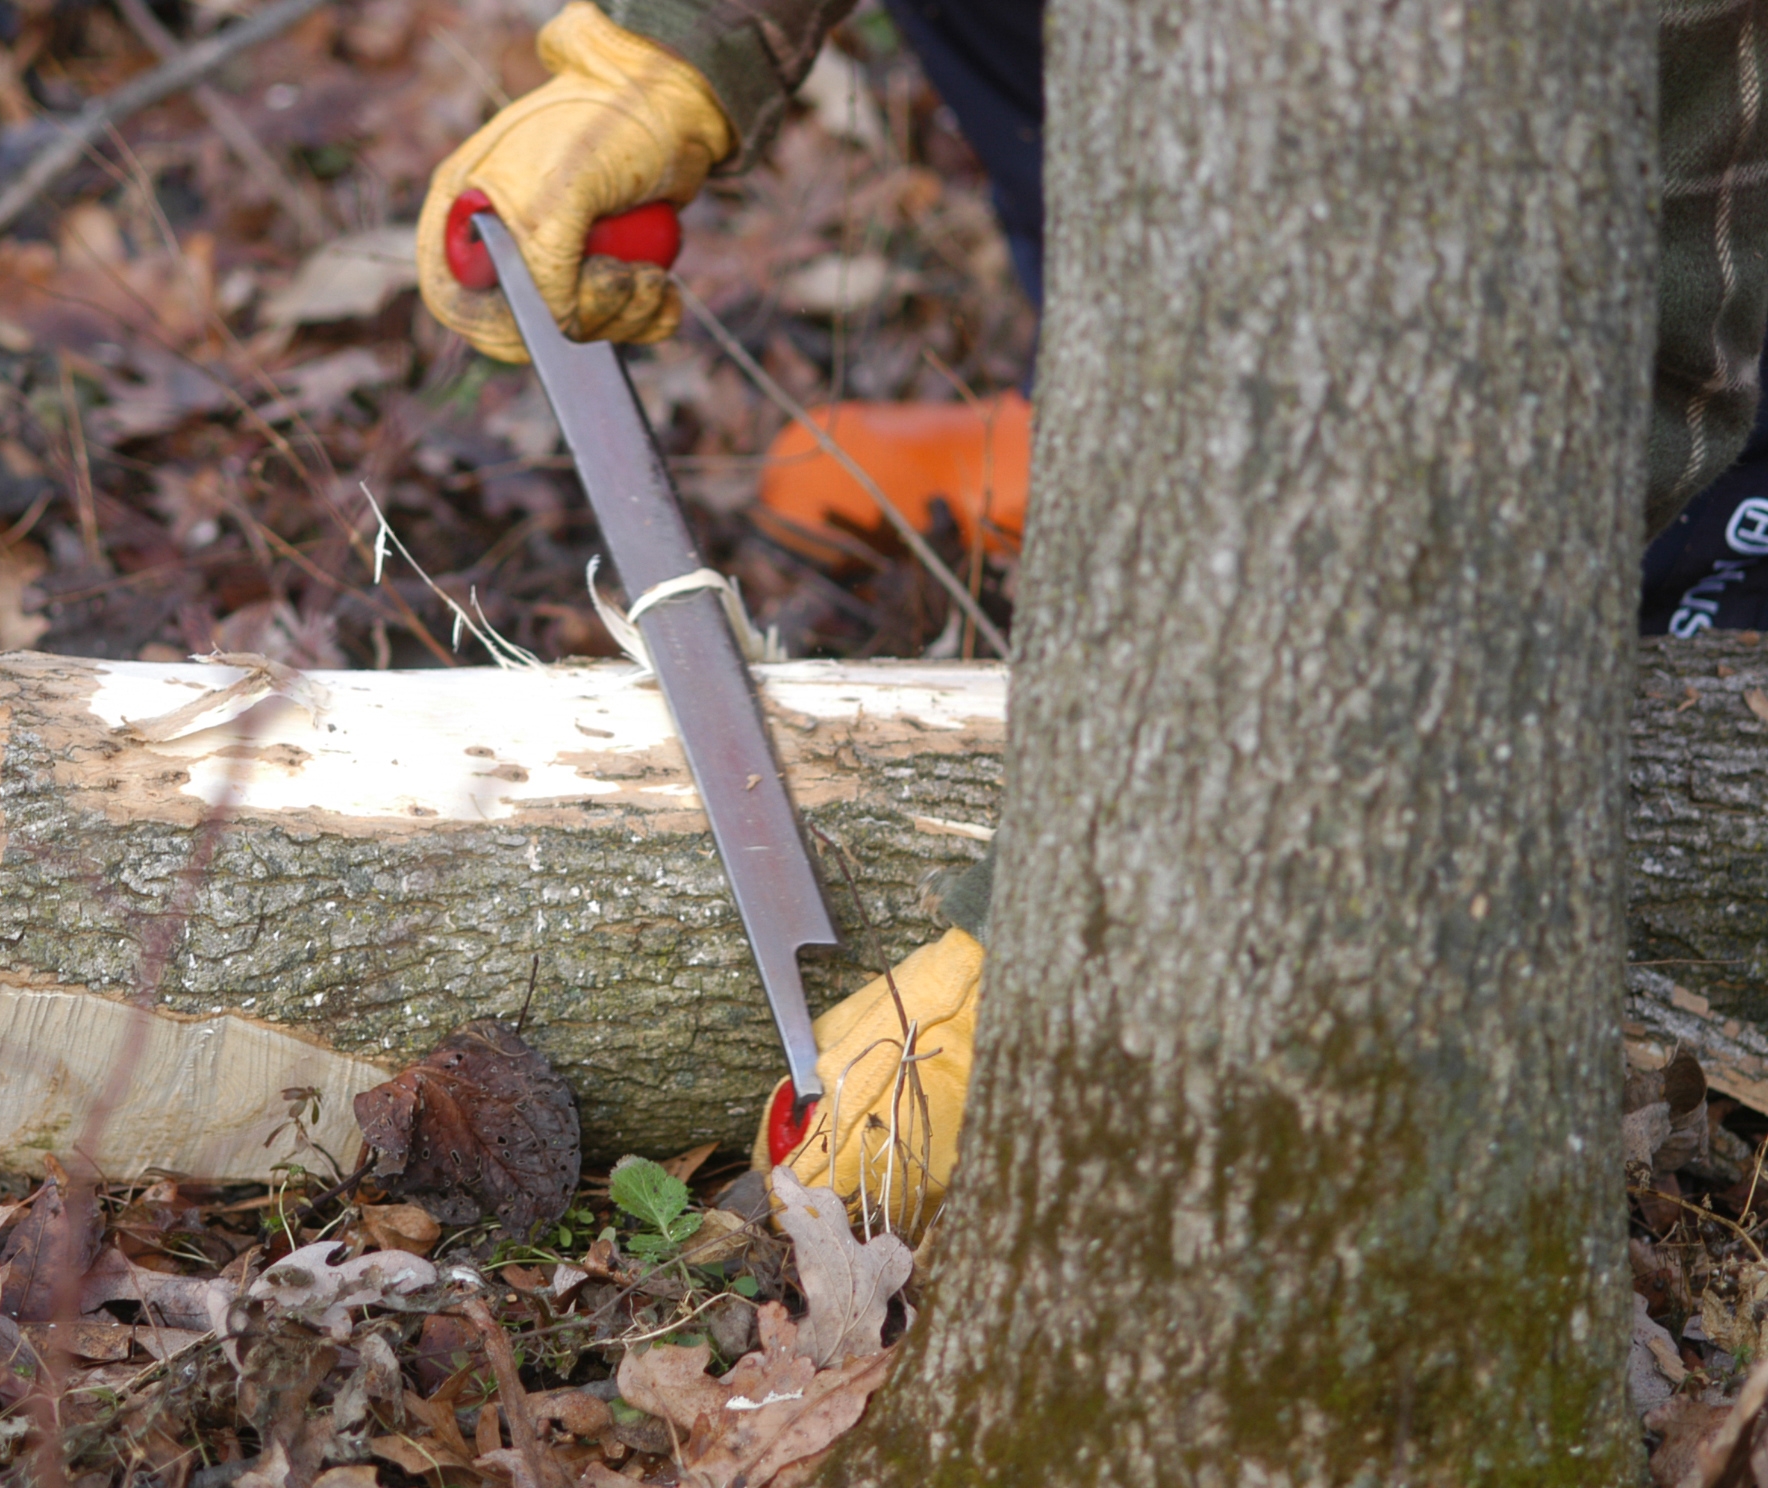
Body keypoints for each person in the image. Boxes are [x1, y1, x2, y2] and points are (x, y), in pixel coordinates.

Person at [414, 0, 1768, 1209]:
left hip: (1682, 272)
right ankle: (1175, 431)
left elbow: (1614, 332)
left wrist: (1097, 917)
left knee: (1632, 657)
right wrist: (679, 54)